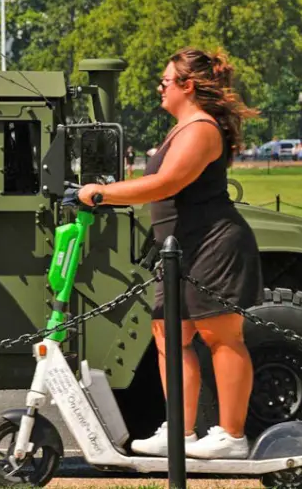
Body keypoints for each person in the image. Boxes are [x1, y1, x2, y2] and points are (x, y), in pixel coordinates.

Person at [78, 47, 262, 460]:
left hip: (213, 246)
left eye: (165, 81)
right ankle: (179, 431)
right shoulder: (184, 127)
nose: (159, 88)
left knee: (221, 336)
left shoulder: (200, 129)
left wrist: (102, 194)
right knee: (168, 335)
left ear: (187, 85)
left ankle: (232, 436)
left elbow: (166, 183)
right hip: (180, 249)